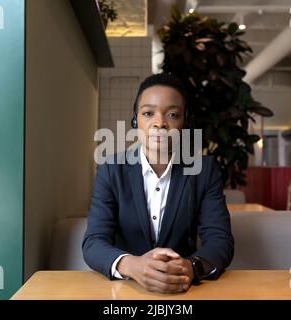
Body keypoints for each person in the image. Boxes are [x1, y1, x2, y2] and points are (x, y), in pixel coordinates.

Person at [82, 73, 234, 294]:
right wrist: (132, 265)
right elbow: (93, 242)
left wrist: (190, 267)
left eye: (172, 114)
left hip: (183, 288)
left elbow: (220, 240)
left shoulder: (204, 171)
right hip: (125, 290)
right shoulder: (111, 170)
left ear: (185, 122)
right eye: (148, 113)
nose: (160, 123)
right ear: (135, 120)